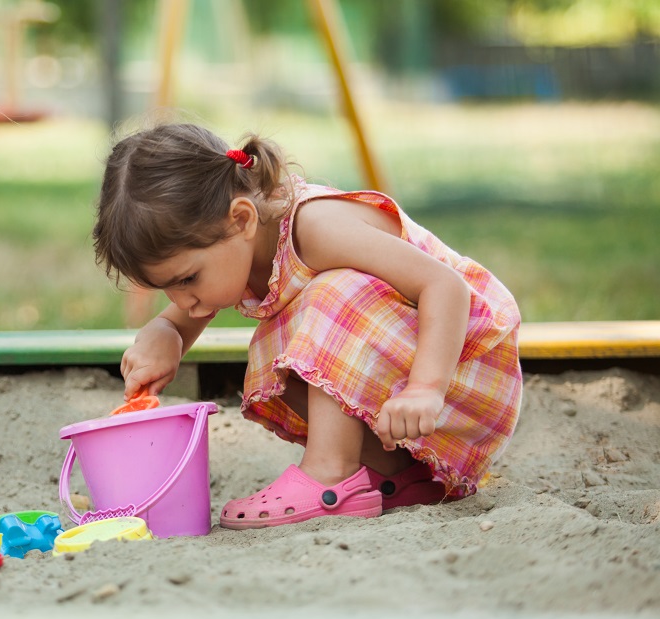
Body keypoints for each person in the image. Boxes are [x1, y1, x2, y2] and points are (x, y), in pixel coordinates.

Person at [92, 123, 521, 528]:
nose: (184, 301)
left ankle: (330, 474)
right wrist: (166, 333)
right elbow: (187, 309)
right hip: (409, 410)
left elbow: (446, 287)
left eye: (187, 280)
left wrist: (425, 389)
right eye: (167, 290)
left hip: (463, 370)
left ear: (241, 219)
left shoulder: (315, 228)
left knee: (331, 296)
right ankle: (396, 475)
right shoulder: (235, 247)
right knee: (275, 342)